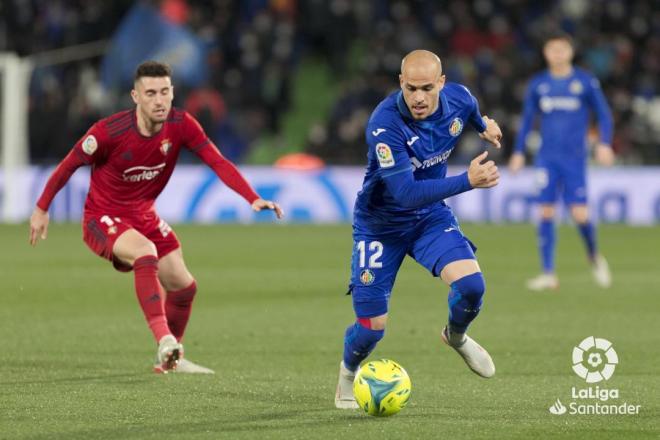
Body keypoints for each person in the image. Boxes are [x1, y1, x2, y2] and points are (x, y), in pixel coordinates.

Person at [29, 61, 284, 374]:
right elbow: (68, 165)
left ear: (173, 93)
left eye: (165, 92)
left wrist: (252, 197)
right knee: (145, 252)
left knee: (184, 287)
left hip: (143, 215)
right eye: (150, 93)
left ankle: (170, 361)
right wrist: (42, 208)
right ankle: (164, 338)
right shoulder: (109, 132)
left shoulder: (182, 125)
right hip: (103, 218)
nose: (159, 100)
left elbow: (217, 162)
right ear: (135, 96)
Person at [335, 50, 503, 409]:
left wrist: (484, 126)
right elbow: (406, 193)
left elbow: (472, 112)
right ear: (401, 83)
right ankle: (347, 375)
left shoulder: (460, 98)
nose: (419, 98)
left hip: (428, 218)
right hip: (380, 226)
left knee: (472, 286)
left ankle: (456, 336)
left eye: (427, 88)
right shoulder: (384, 125)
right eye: (411, 88)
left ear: (442, 84)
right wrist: (467, 181)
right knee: (371, 329)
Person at [509, 32, 614, 291]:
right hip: (547, 157)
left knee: (580, 215)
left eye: (561, 49)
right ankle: (548, 273)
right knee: (545, 211)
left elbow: (604, 115)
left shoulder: (585, 81)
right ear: (545, 53)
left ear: (570, 52)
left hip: (574, 159)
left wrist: (604, 143)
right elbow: (527, 120)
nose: (557, 54)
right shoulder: (538, 84)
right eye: (552, 49)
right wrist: (519, 151)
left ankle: (593, 255)